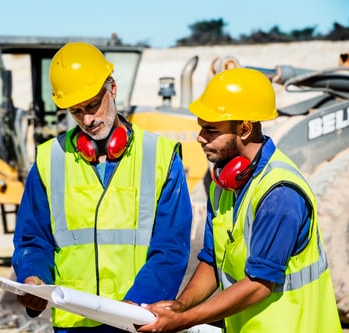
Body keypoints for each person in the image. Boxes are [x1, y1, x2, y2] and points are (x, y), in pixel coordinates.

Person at [137, 67, 342, 333]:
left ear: (244, 128)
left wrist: (184, 321)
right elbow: (212, 260)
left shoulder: (279, 194)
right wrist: (180, 306)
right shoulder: (223, 185)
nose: (200, 137)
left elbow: (259, 284)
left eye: (211, 129)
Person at [12, 41, 193, 333]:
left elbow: (171, 247)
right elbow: (33, 239)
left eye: (93, 105)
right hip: (74, 322)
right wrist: (33, 277)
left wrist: (138, 304)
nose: (87, 119)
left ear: (113, 88)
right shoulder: (49, 160)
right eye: (76, 110)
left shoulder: (160, 156)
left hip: (137, 319)